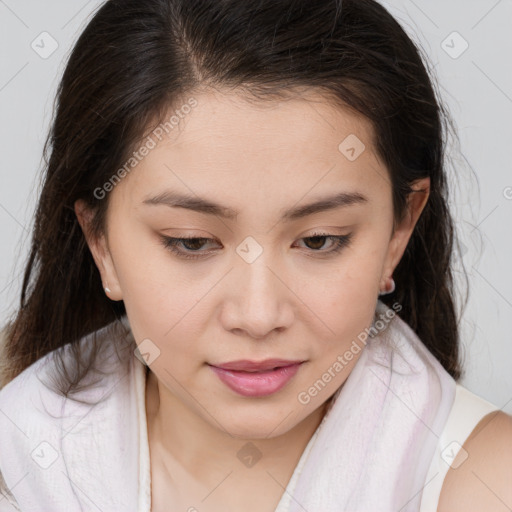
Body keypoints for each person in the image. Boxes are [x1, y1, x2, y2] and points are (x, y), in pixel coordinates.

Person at [0, 0, 511, 510]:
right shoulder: (19, 455)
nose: (258, 315)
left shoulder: (485, 486)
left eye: (319, 241)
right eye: (192, 242)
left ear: (398, 230)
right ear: (101, 244)